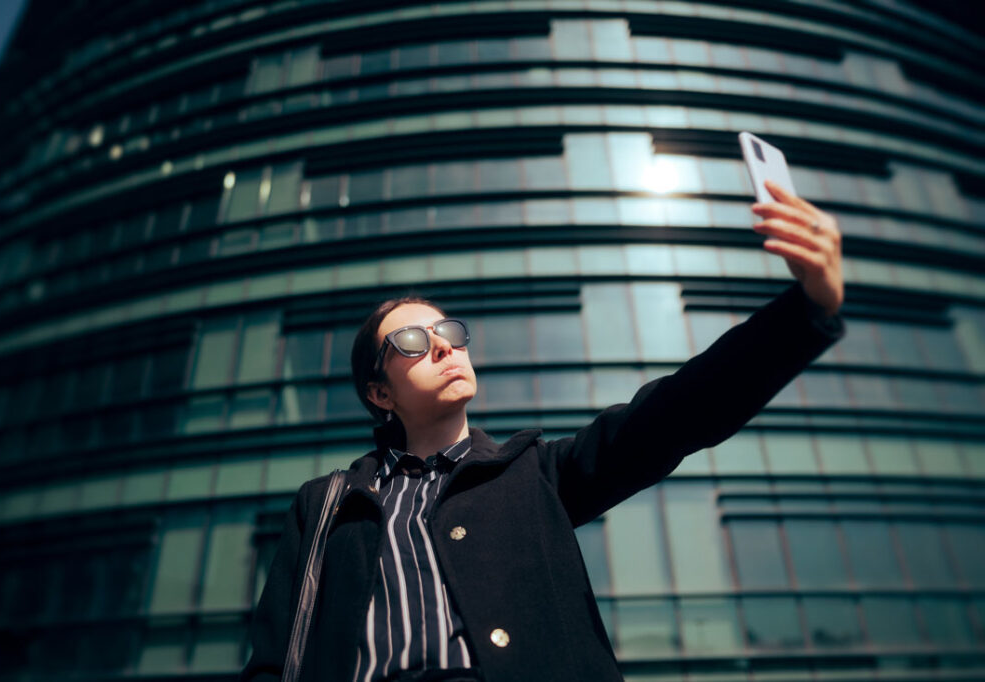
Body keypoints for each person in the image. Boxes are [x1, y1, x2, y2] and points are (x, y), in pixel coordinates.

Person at [240, 180, 846, 682]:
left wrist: (805, 312)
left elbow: (675, 415)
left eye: (450, 333)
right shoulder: (326, 505)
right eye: (412, 342)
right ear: (379, 394)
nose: (443, 348)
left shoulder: (535, 475)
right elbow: (271, 664)